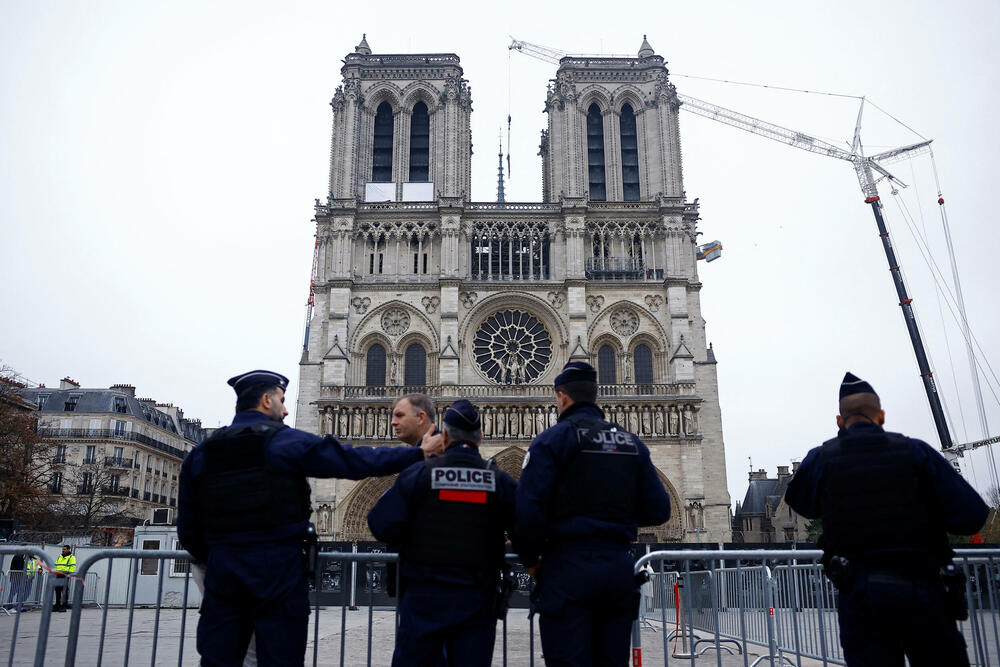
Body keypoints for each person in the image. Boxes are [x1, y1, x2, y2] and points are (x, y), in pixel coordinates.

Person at [178, 370, 445, 666]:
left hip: (223, 575)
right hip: (276, 572)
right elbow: (351, 460)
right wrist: (414, 456)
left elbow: (188, 528)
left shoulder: (202, 453)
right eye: (281, 400)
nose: (287, 408)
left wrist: (220, 555)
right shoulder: (284, 443)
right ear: (267, 401)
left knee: (219, 660)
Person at [785, 372, 989, 667]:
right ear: (880, 416)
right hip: (924, 589)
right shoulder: (916, 452)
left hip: (862, 594)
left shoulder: (822, 458)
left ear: (840, 421)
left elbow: (802, 505)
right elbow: (972, 517)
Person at [515, 361, 672, 665]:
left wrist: (533, 562)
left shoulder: (551, 441)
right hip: (616, 569)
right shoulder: (630, 442)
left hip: (567, 569)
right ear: (596, 396)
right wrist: (616, 517)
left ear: (562, 397)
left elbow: (527, 512)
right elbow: (660, 509)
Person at [368, 399, 517, 667]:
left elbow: (380, 525)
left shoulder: (419, 474)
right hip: (477, 598)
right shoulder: (499, 480)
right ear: (481, 437)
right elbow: (528, 528)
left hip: (424, 597)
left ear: (443, 436)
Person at [52, 545, 76, 612]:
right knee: (57, 590)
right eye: (63, 549)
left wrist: (68, 574)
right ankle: (57, 605)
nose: (63, 550)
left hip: (65, 575)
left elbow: (72, 567)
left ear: (68, 550)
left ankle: (63, 606)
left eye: (64, 549)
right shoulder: (60, 556)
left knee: (64, 591)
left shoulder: (71, 557)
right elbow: (56, 565)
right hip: (58, 575)